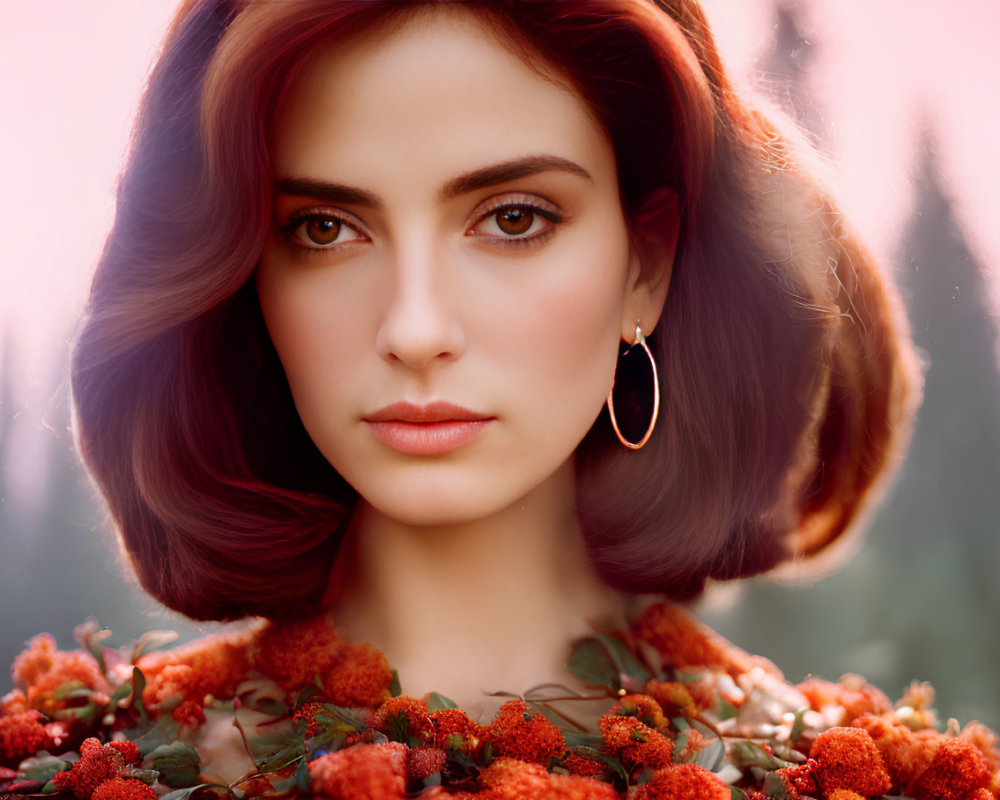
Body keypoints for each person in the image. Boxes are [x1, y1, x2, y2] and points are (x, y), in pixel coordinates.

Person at [8, 1, 996, 799]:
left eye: (512, 217)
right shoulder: (73, 767)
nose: (414, 325)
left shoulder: (858, 778)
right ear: (241, 275)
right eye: (321, 227)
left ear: (644, 267)